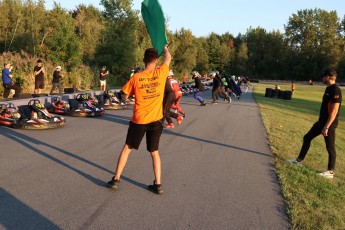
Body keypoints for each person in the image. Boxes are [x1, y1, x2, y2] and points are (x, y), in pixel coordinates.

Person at [106, 46, 171, 194]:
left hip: (139, 120)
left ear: (144, 60)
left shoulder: (136, 78)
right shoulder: (161, 73)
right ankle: (158, 184)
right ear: (156, 60)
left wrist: (127, 97)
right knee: (154, 152)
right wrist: (165, 49)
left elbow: (124, 95)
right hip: (156, 120)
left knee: (127, 148)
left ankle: (116, 179)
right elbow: (168, 58)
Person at [288, 68, 342, 179]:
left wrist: (326, 127)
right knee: (307, 137)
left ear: (327, 77)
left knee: (330, 147)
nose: (322, 78)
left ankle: (330, 171)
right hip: (320, 122)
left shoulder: (335, 90)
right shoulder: (328, 89)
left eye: (323, 76)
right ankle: (299, 160)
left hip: (329, 124)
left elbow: (334, 111)